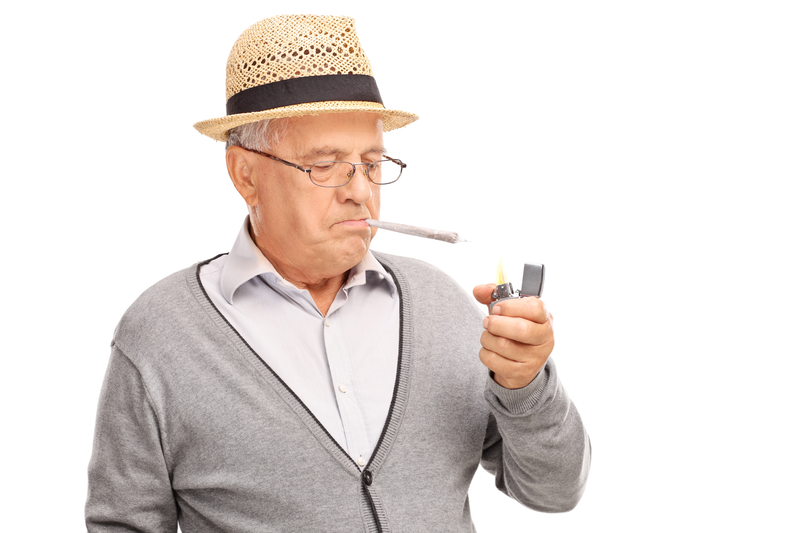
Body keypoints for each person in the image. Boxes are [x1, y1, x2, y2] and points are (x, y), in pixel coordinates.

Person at [86, 14, 590, 532]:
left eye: (372, 163)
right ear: (245, 174)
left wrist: (526, 384)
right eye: (324, 165)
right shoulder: (162, 334)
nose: (360, 192)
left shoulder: (443, 306)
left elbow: (554, 492)